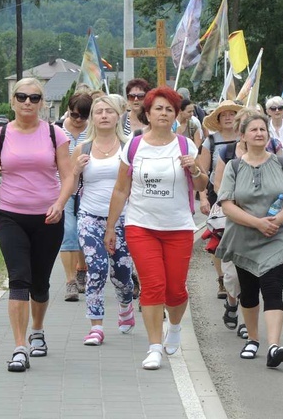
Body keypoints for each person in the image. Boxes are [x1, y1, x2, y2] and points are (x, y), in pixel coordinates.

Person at [0, 78, 74, 372]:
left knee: (40, 283)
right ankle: (20, 347)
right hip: (11, 216)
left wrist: (59, 203)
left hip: (48, 217)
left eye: (34, 97)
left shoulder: (56, 135)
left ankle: (38, 330)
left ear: (42, 102)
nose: (27, 102)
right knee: (19, 279)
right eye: (21, 97)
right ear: (13, 101)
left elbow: (68, 176)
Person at [104, 86, 208, 370]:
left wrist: (195, 169)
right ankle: (153, 347)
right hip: (141, 226)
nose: (163, 113)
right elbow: (120, 190)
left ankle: (174, 327)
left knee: (175, 289)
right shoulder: (134, 146)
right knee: (153, 285)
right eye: (158, 108)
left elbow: (201, 186)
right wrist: (111, 227)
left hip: (178, 227)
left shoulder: (186, 146)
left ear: (176, 115)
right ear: (147, 114)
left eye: (169, 109)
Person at [215, 114, 283, 367]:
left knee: (273, 289)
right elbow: (227, 204)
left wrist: (276, 222)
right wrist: (257, 223)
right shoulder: (234, 167)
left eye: (262, 129)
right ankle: (253, 339)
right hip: (244, 237)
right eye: (253, 129)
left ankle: (274, 346)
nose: (259, 133)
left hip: (277, 237)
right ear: (243, 136)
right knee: (250, 292)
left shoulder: (281, 164)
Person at [72, 96, 135, 346]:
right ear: (92, 118)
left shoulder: (128, 146)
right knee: (96, 269)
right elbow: (70, 182)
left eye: (109, 111)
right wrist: (76, 170)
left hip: (122, 218)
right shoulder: (83, 148)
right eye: (99, 112)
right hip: (89, 216)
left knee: (122, 274)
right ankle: (96, 326)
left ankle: (126, 303)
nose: (104, 115)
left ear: (118, 116)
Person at [198, 100, 243, 299]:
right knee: (219, 239)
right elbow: (202, 171)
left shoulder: (245, 139)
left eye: (232, 114)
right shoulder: (211, 141)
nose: (228, 117)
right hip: (218, 194)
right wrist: (203, 198)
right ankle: (222, 278)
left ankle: (238, 278)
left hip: (242, 195)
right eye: (224, 114)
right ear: (218, 118)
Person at [58, 92, 92, 302]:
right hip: (63, 188)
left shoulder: (93, 131)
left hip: (88, 188)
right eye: (74, 115)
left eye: (83, 116)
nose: (78, 120)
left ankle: (82, 269)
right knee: (68, 231)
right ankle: (70, 281)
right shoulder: (58, 131)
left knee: (83, 232)